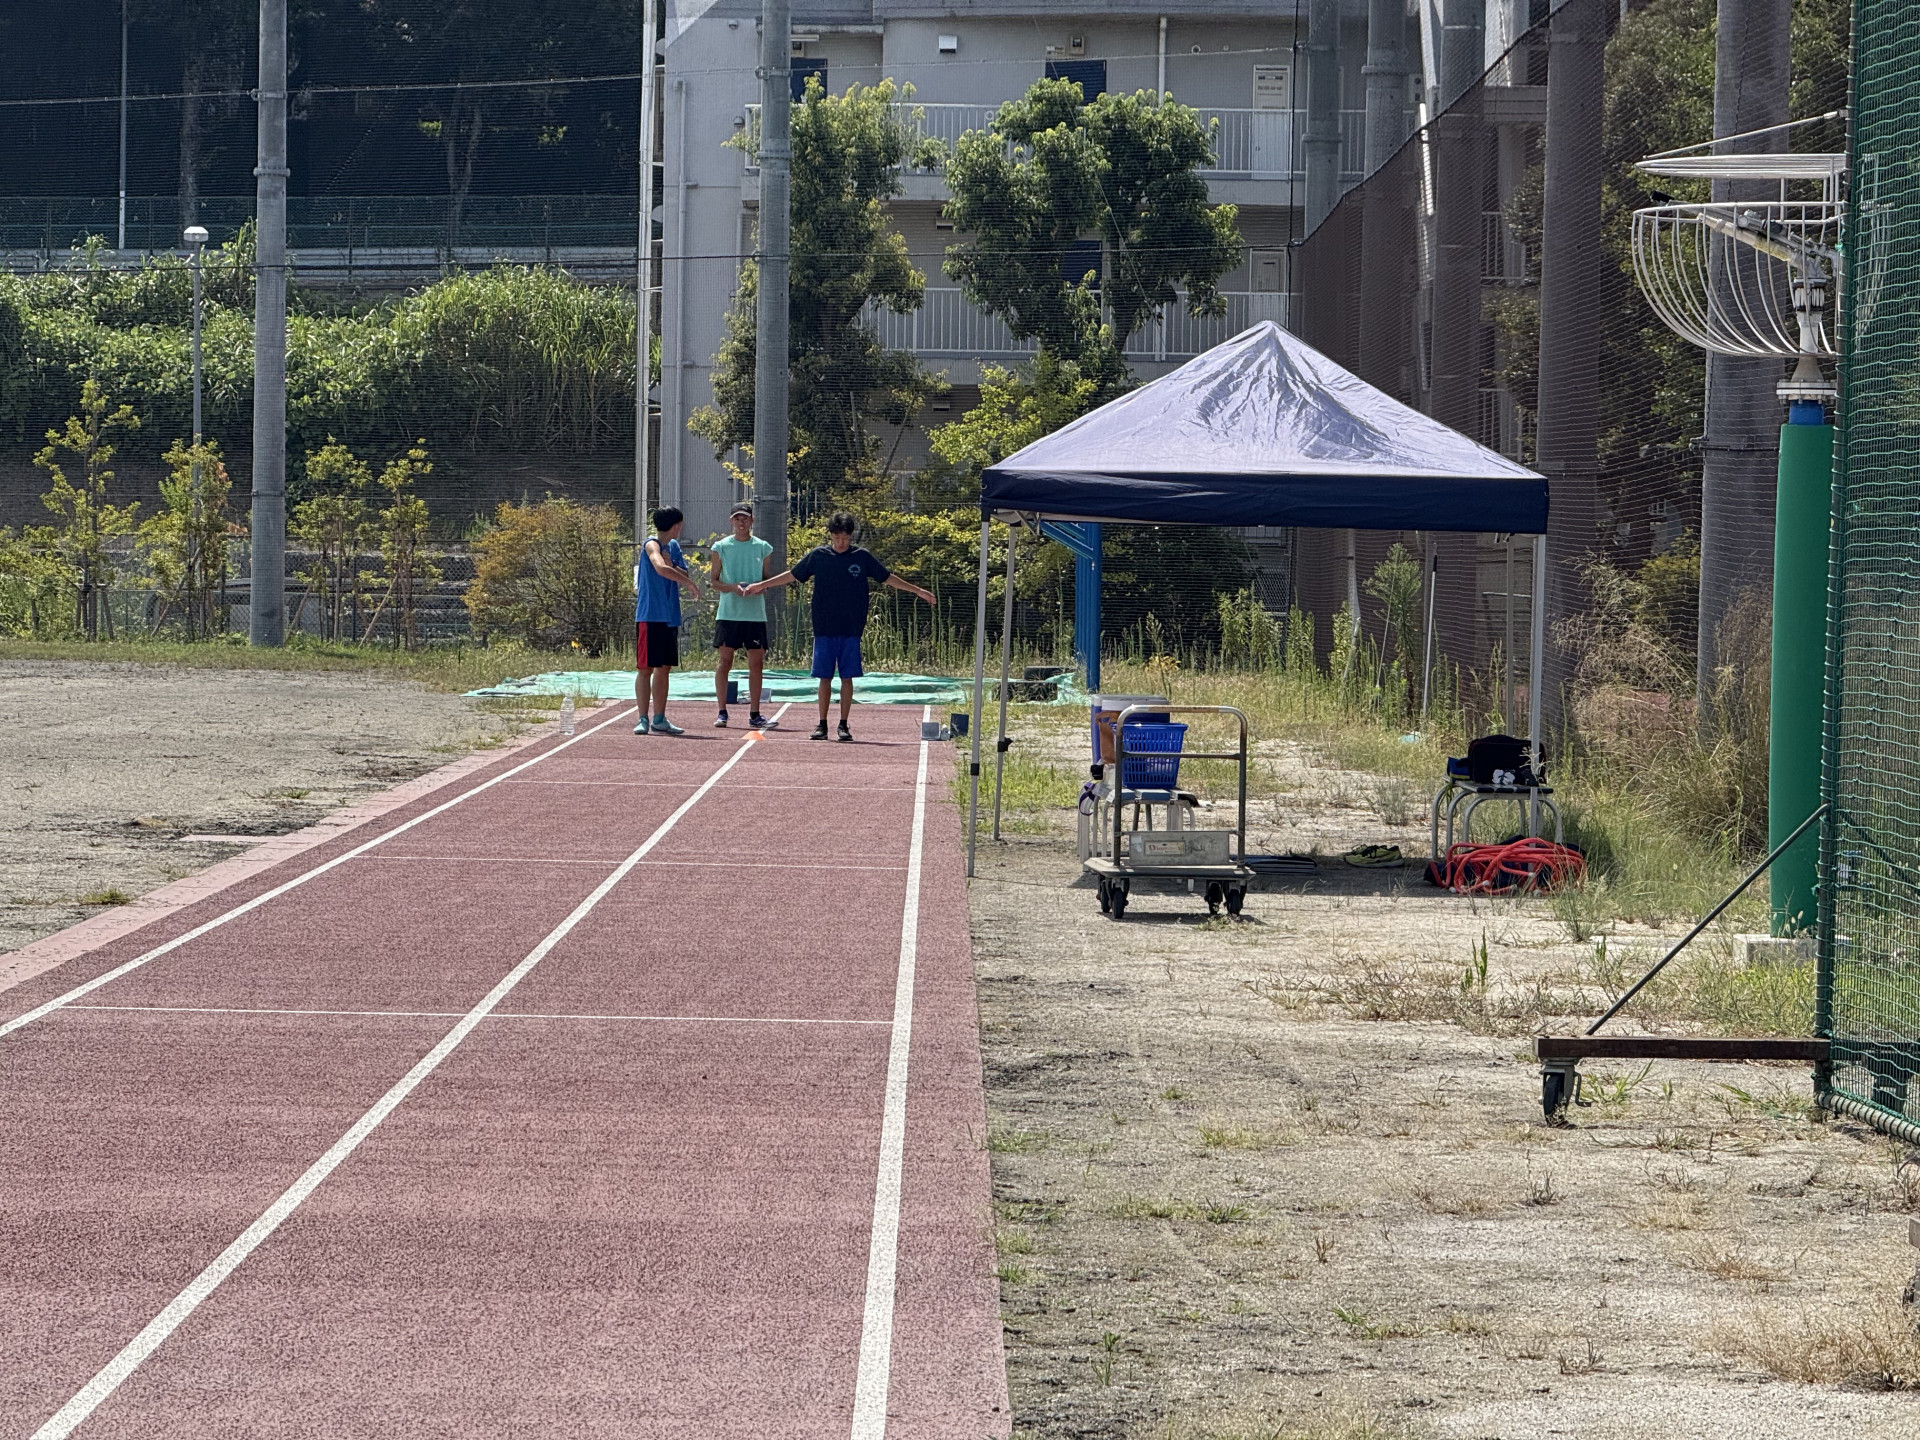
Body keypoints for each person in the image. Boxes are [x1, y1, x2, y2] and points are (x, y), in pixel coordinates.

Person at [746, 511, 933, 742]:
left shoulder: (862, 557)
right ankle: (822, 724)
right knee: (824, 677)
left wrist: (918, 590)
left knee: (847, 677)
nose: (841, 542)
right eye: (836, 537)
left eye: (845, 537)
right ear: (831, 536)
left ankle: (843, 725)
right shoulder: (818, 556)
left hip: (851, 628)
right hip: (824, 626)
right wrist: (762, 585)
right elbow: (792, 575)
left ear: (851, 536)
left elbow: (887, 577)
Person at [634, 506, 702, 736]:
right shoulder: (651, 544)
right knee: (646, 668)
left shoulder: (673, 547)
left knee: (664, 668)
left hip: (670, 616)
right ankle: (642, 717)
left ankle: (659, 718)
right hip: (650, 615)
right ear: (676, 525)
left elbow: (681, 571)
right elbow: (660, 568)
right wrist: (688, 584)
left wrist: (678, 570)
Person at [708, 501, 775, 730]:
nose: (741, 522)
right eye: (737, 518)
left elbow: (767, 581)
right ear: (731, 521)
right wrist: (734, 588)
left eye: (745, 518)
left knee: (756, 663)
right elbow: (714, 582)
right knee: (724, 662)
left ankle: (755, 713)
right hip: (728, 614)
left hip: (755, 615)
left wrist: (756, 588)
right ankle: (722, 711)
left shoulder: (763, 547)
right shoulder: (721, 547)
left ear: (752, 521)